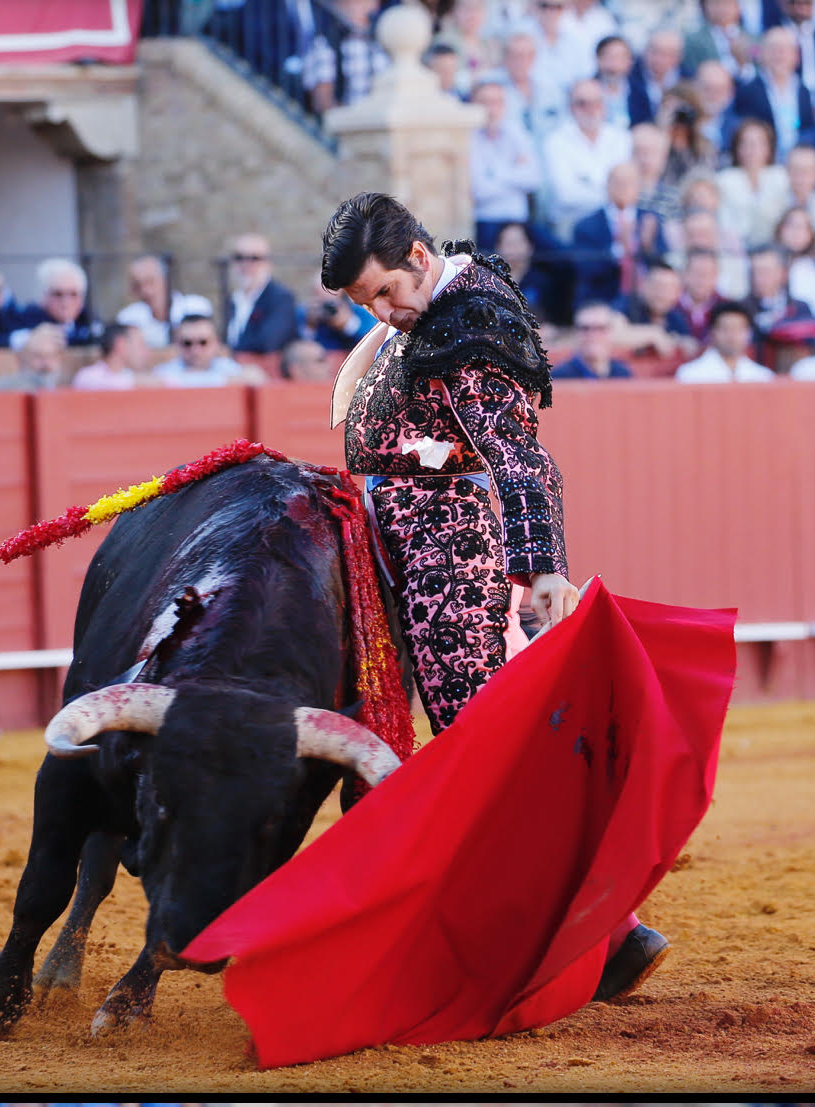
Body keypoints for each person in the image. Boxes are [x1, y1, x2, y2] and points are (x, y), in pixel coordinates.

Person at [320, 190, 667, 1001]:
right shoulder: (437, 301)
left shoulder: (467, 323)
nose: (382, 312)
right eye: (364, 302)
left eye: (383, 293)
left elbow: (517, 457)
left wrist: (541, 563)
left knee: (483, 744)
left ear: (415, 257)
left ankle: (609, 931)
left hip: (447, 551)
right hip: (403, 533)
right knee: (448, 736)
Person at [541, 77, 632, 240]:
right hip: (572, 222)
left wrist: (589, 186)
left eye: (596, 102)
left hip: (613, 222)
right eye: (582, 103)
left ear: (604, 106)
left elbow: (627, 187)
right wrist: (611, 193)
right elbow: (565, 195)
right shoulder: (555, 141)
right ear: (571, 107)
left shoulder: (621, 138)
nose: (590, 109)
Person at [571, 160, 667, 308]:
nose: (623, 188)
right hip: (602, 301)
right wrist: (620, 249)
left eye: (629, 183)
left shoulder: (650, 221)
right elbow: (586, 270)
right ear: (607, 186)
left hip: (646, 303)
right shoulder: (587, 226)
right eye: (618, 183)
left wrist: (647, 248)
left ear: (638, 187)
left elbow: (663, 266)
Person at [468, 78, 543, 252]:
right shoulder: (469, 139)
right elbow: (479, 191)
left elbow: (534, 179)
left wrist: (495, 174)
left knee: (561, 259)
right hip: (487, 221)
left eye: (497, 102)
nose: (491, 109)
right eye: (485, 102)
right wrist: (516, 172)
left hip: (520, 219)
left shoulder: (515, 132)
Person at [731, 25, 815, 160]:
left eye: (785, 50)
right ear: (762, 53)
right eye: (773, 49)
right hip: (764, 164)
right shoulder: (747, 91)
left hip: (798, 162)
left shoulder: (803, 90)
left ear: (796, 56)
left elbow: (808, 128)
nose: (780, 55)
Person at [300, 0, 389, 115]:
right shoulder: (325, 45)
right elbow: (323, 104)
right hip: (349, 127)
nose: (357, 6)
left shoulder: (383, 44)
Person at [716, 118, 791, 248]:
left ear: (769, 147)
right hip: (734, 249)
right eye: (745, 143)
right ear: (737, 148)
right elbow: (723, 222)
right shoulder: (723, 180)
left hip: (777, 249)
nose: (752, 149)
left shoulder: (782, 176)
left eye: (758, 143)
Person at [115, 253, 212, 348]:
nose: (145, 290)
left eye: (150, 282)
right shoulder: (128, 318)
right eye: (138, 285)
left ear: (165, 280)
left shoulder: (196, 306)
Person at [224, 233, 299, 355]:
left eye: (254, 258)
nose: (246, 264)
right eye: (239, 257)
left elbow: (267, 343)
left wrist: (228, 352)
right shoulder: (233, 300)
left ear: (268, 263)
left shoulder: (281, 298)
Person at [148, 314, 266, 386]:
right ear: (177, 345)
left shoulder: (226, 367)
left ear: (216, 343)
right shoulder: (164, 372)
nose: (195, 350)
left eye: (203, 342)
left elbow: (256, 376)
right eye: (187, 343)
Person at [9, 258, 104, 349]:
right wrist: (29, 339)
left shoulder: (88, 319)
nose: (66, 302)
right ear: (44, 296)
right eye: (58, 294)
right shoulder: (26, 318)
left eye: (73, 294)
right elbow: (2, 338)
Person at [674, 298, 776, 379]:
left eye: (738, 329)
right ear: (712, 333)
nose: (732, 335)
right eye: (725, 328)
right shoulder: (689, 375)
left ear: (749, 333)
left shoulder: (763, 377)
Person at [552, 300, 634, 378]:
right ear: (576, 333)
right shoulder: (560, 377)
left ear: (611, 332)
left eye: (601, 328)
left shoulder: (623, 374)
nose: (593, 335)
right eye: (585, 328)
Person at [298, 269, 376, 351]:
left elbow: (373, 341)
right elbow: (296, 348)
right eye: (319, 296)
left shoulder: (359, 311)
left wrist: (348, 324)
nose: (326, 309)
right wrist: (310, 327)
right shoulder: (304, 314)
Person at [71, 323, 147, 390]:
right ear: (121, 344)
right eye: (140, 344)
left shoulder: (129, 375)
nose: (146, 352)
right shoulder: (87, 377)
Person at [0, 322, 68, 392]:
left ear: (60, 357)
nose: (46, 363)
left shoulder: (70, 385)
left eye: (51, 356)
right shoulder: (8, 387)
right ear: (26, 358)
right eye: (39, 356)